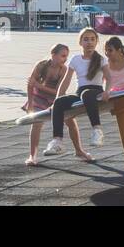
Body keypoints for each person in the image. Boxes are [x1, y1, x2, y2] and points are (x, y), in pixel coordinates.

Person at [45, 28, 104, 160]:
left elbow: (110, 77)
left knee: (87, 94)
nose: (89, 42)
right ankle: (57, 141)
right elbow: (65, 81)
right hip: (81, 92)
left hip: (95, 92)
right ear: (80, 42)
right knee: (59, 102)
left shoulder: (101, 59)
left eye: (93, 39)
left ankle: (97, 130)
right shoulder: (75, 59)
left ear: (97, 42)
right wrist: (56, 101)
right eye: (86, 39)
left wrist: (109, 91)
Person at [23, 44, 69, 166]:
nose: (65, 59)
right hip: (38, 97)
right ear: (53, 54)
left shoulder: (63, 70)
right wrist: (30, 103)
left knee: (71, 122)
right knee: (37, 124)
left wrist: (39, 86)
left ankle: (80, 151)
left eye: (66, 57)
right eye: (63, 56)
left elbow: (58, 91)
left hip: (55, 99)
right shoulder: (41, 65)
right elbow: (30, 84)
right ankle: (32, 156)